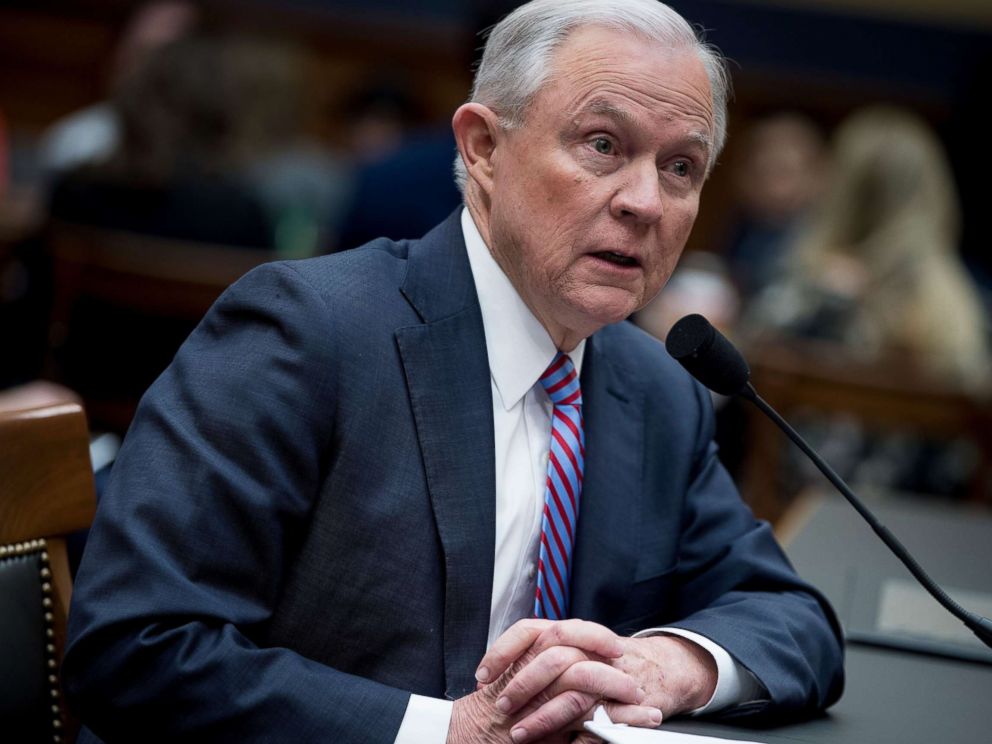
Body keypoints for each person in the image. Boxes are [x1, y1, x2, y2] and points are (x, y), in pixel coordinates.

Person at [62, 2, 844, 742]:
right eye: (603, 145)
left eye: (681, 167)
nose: (645, 201)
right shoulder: (307, 334)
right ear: (483, 148)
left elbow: (790, 618)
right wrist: (448, 732)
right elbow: (136, 646)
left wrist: (667, 665)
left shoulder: (656, 388)